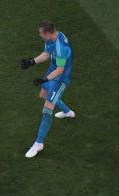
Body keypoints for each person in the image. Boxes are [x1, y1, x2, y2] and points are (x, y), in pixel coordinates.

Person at [20, 21, 74, 158]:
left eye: (41, 33)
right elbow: (46, 54)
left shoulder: (61, 47)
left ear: (48, 33)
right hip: (53, 71)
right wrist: (31, 61)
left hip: (60, 78)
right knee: (43, 95)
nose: (40, 35)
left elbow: (61, 69)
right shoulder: (52, 38)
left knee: (47, 110)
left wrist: (45, 79)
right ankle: (68, 112)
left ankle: (38, 143)